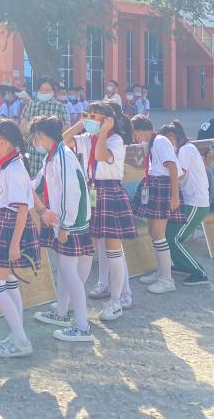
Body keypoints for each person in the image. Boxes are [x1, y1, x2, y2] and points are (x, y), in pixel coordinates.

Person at [64, 102, 135, 321]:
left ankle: (117, 300)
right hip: (91, 192)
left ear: (107, 121)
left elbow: (101, 155)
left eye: (94, 117)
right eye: (88, 115)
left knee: (113, 249)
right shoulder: (87, 138)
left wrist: (103, 132)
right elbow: (63, 140)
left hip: (110, 191)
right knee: (88, 247)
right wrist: (81, 123)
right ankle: (74, 297)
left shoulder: (115, 139)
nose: (90, 119)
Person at [29, 115, 94, 342]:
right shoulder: (52, 156)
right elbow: (38, 183)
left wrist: (66, 225)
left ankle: (83, 327)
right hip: (62, 220)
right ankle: (61, 313)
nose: (34, 142)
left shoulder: (63, 156)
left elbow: (71, 192)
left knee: (69, 272)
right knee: (64, 270)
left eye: (34, 137)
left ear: (41, 136)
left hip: (70, 222)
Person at [0, 120, 39, 358]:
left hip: (11, 226)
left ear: (3, 142)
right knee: (10, 282)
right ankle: (17, 334)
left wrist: (14, 244)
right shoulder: (9, 163)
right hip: (5, 223)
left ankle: (22, 341)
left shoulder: (13, 169)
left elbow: (22, 209)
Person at [130, 116, 184, 295]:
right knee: (153, 233)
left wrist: (174, 196)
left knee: (159, 234)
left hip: (163, 187)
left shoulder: (160, 141)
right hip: (154, 185)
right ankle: (161, 272)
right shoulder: (152, 143)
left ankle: (167, 279)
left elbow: (173, 168)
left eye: (134, 134)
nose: (135, 138)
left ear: (139, 131)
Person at [159, 122, 211, 286]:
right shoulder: (186, 149)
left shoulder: (186, 150)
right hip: (190, 201)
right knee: (169, 235)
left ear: (172, 137)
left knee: (173, 238)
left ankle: (199, 273)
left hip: (195, 202)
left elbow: (179, 174)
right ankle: (182, 265)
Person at [19, 76, 70, 179]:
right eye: (42, 89)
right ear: (37, 90)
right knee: (33, 182)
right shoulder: (30, 105)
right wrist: (33, 127)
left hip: (53, 154)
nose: (44, 92)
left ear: (53, 91)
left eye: (47, 90)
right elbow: (22, 128)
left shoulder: (60, 107)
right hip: (32, 155)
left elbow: (66, 132)